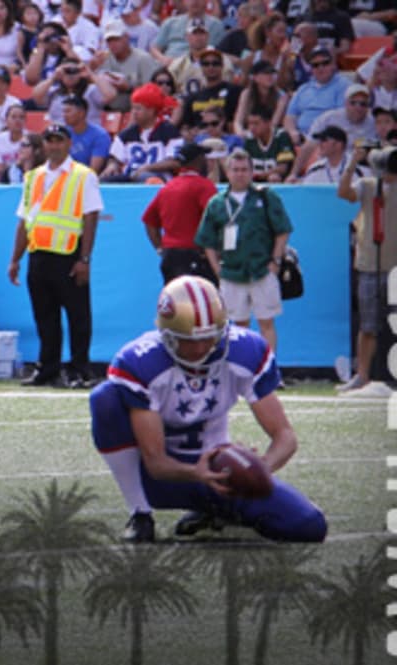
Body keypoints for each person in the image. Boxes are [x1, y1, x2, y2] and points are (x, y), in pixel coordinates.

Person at [89, 275, 327, 544]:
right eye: (189, 341)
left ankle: (213, 512)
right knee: (105, 398)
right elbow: (156, 464)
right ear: (166, 334)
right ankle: (140, 512)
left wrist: (257, 471)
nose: (201, 348)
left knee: (309, 526)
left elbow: (285, 436)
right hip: (161, 479)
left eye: (210, 337)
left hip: (219, 471)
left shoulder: (245, 351)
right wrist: (194, 473)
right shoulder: (141, 362)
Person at [8, 124, 102, 389]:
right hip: (39, 254)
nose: (54, 146)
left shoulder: (83, 175)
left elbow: (90, 216)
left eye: (59, 141)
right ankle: (47, 367)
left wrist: (84, 259)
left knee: (77, 316)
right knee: (44, 316)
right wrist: (15, 258)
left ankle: (79, 368)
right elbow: (25, 221)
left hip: (69, 254)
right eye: (49, 141)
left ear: (68, 144)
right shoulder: (33, 177)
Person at [196, 149, 292, 356]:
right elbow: (207, 241)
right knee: (237, 325)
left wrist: (275, 260)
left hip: (261, 269)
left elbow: (282, 230)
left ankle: (269, 367)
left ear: (251, 172)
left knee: (266, 321)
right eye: (235, 170)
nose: (240, 174)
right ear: (227, 172)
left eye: (244, 170)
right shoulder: (217, 203)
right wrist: (217, 270)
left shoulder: (265, 196)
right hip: (231, 271)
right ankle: (241, 368)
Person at [335, 146, 397, 398]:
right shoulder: (368, 185)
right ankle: (362, 375)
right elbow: (343, 193)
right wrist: (352, 163)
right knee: (368, 325)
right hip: (370, 262)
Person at [141, 143, 218, 284]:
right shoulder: (204, 186)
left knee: (176, 302)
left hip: (171, 256)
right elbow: (216, 218)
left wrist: (160, 248)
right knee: (203, 301)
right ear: (198, 161)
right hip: (196, 255)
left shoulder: (167, 188)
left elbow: (149, 221)